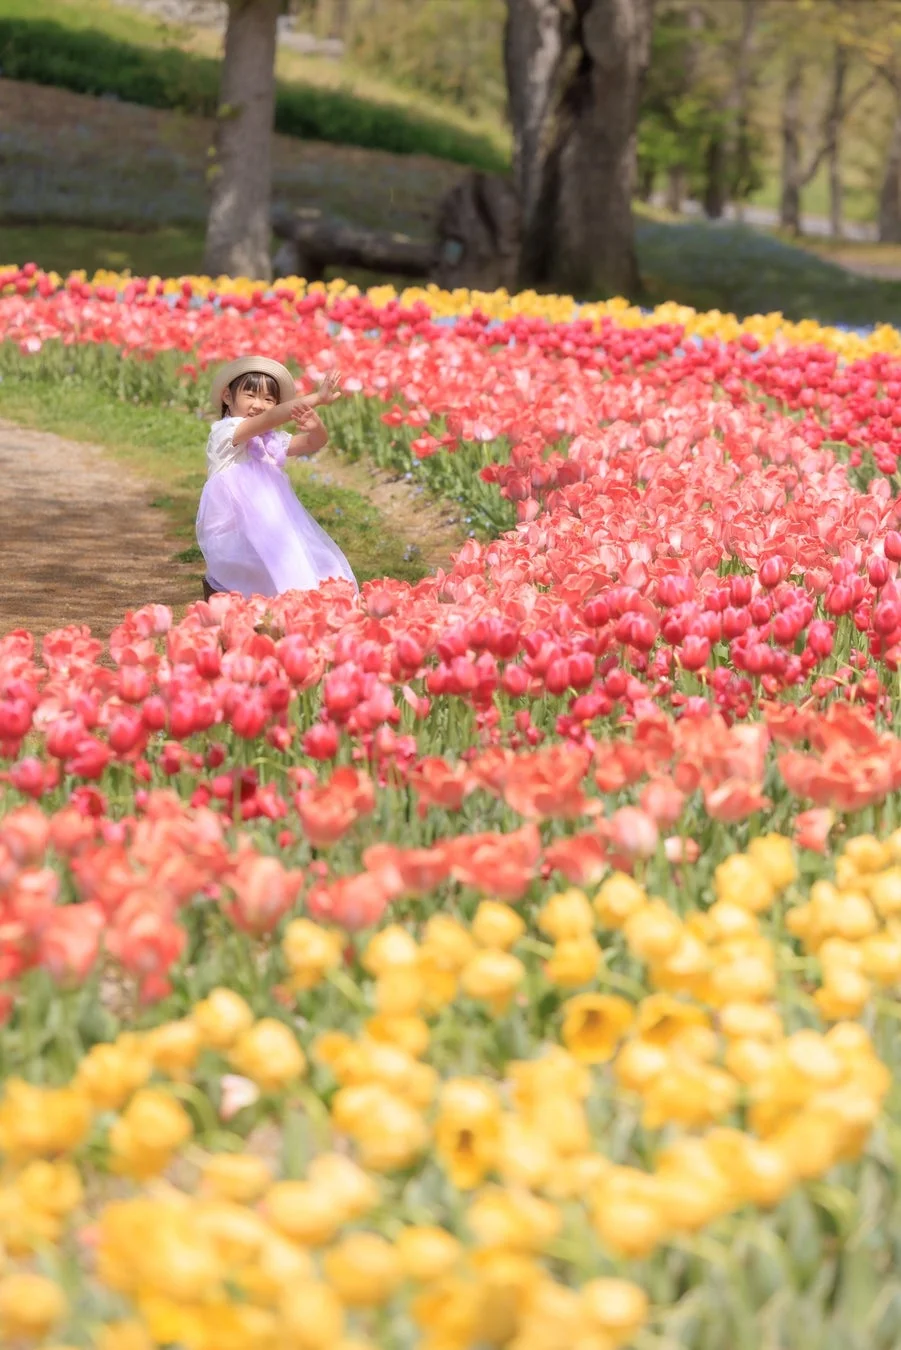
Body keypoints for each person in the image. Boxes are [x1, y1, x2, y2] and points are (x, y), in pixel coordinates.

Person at [196, 355, 357, 601]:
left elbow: (314, 442)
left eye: (268, 399)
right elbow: (269, 418)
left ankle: (288, 615)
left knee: (295, 566)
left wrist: (315, 426)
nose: (259, 404)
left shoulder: (270, 441)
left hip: (276, 528)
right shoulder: (227, 433)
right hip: (236, 530)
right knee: (248, 574)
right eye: (250, 395)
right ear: (227, 397)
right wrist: (316, 399)